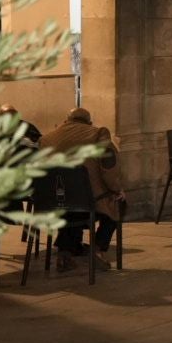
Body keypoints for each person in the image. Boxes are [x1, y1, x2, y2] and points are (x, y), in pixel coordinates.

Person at [36, 108, 125, 268]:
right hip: (88, 200)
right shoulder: (98, 135)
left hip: (53, 201)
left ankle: (65, 253)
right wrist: (117, 189)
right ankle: (96, 249)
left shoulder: (46, 139)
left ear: (66, 120)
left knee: (69, 208)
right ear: (89, 122)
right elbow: (109, 168)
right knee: (118, 205)